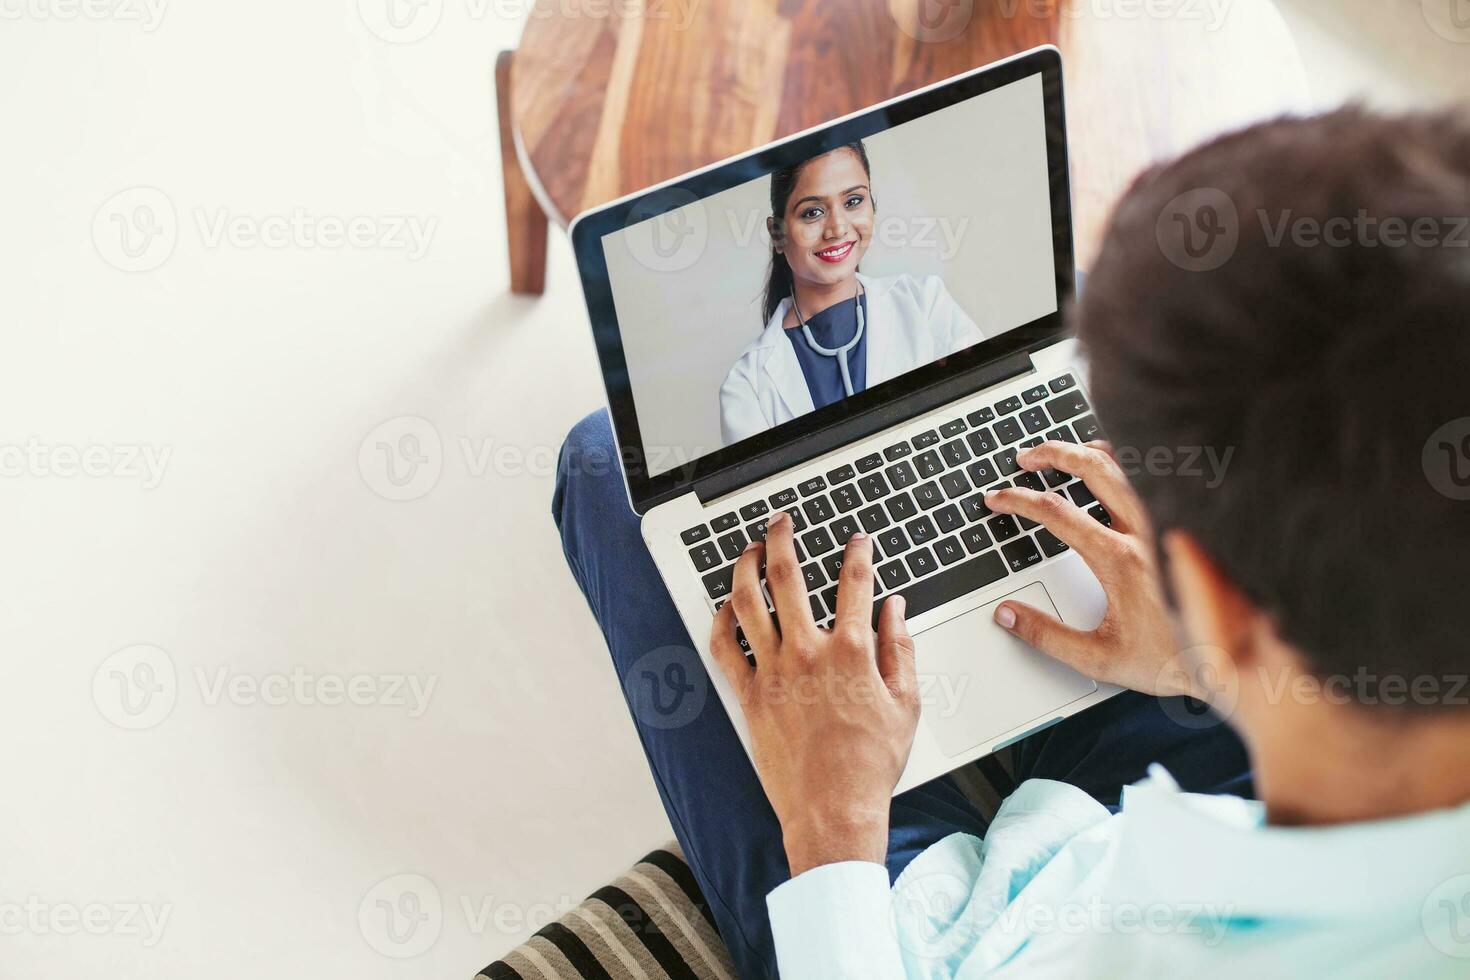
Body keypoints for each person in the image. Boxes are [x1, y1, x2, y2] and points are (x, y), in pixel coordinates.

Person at [554, 107, 1470, 978]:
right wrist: (1209, 666)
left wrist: (833, 821)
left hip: (917, 931)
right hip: (1187, 806)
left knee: (604, 464)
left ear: (1218, 590)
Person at [719, 141, 984, 446]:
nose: (837, 228)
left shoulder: (926, 303)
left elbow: (979, 414)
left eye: (854, 201)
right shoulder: (746, 385)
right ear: (778, 233)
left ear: (873, 205)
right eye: (813, 212)